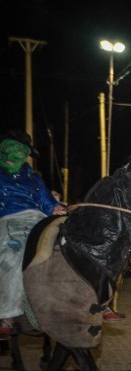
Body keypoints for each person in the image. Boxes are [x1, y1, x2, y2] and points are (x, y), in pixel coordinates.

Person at [0, 129, 67, 339]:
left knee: (70, 247)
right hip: (9, 221)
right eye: (8, 149)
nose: (12, 155)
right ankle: (7, 315)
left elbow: (48, 202)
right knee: (12, 256)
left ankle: (94, 303)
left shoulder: (35, 179)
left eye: (18, 151)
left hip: (39, 220)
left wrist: (56, 208)